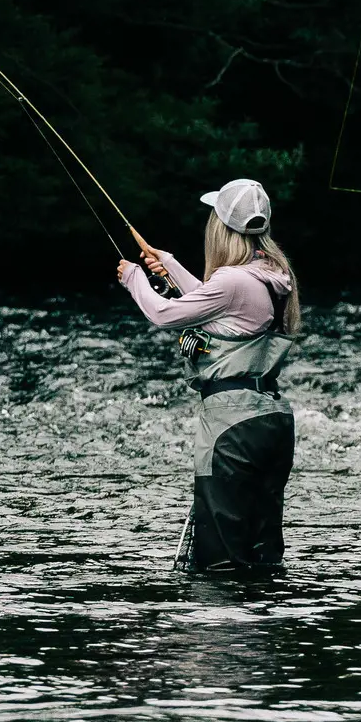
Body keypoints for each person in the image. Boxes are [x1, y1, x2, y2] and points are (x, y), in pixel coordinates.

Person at [117, 177, 300, 575]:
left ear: (221, 227)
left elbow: (165, 314)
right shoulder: (273, 273)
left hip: (230, 429)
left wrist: (133, 277)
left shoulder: (233, 282)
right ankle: (266, 628)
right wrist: (168, 264)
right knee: (261, 550)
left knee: (221, 559)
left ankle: (222, 635)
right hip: (271, 423)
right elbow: (221, 305)